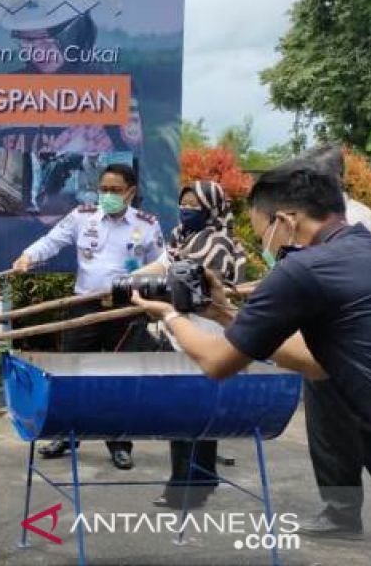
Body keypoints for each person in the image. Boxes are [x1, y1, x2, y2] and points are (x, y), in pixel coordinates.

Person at [132, 164, 371, 566]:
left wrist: (167, 314)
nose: (264, 242)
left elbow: (216, 362)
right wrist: (226, 315)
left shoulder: (301, 269)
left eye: (263, 230)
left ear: (285, 220)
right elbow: (317, 364)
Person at [12, 163, 164, 470]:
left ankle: (119, 441)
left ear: (131, 192)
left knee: (119, 377)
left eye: (115, 190)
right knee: (72, 374)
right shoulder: (83, 217)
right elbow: (52, 241)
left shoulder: (147, 225)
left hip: (125, 312)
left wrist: (137, 295)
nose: (107, 195)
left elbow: (160, 266)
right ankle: (68, 435)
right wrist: (28, 255)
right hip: (84, 307)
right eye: (103, 189)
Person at [297, 145, 371, 537]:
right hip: (360, 339)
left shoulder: (344, 219)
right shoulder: (361, 214)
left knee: (331, 430)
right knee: (368, 424)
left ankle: (340, 513)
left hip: (332, 338)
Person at [133, 181, 248, 509]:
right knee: (192, 411)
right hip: (177, 332)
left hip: (208, 333)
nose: (187, 210)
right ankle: (200, 480)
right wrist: (131, 278)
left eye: (195, 205)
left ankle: (185, 487)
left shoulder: (218, 242)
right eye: (183, 203)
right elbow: (164, 266)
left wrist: (154, 290)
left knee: (186, 411)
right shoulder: (180, 236)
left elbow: (191, 281)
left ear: (212, 207)